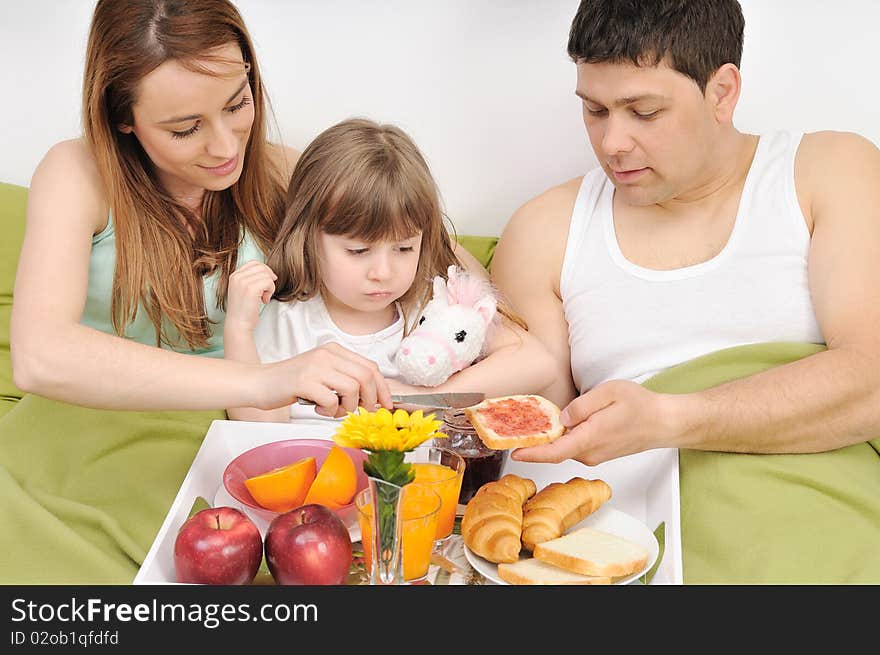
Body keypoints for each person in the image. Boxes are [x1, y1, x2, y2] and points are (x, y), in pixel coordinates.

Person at [492, 0, 880, 467]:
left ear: (722, 92)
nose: (612, 143)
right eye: (595, 110)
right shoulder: (543, 231)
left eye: (644, 112)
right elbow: (536, 437)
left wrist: (668, 420)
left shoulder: (828, 172)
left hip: (814, 514)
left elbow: (872, 379)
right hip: (623, 528)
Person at [10, 0, 390, 418]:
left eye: (236, 104)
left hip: (234, 431)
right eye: (185, 128)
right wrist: (264, 382)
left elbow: (429, 252)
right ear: (122, 117)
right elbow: (38, 357)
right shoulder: (76, 174)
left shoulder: (284, 172)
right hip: (79, 434)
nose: (227, 148)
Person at [224, 117, 556, 422]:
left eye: (404, 248)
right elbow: (259, 427)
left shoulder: (432, 302)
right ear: (307, 237)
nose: (383, 272)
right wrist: (238, 329)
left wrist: (416, 398)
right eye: (358, 251)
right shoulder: (288, 319)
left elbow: (538, 363)